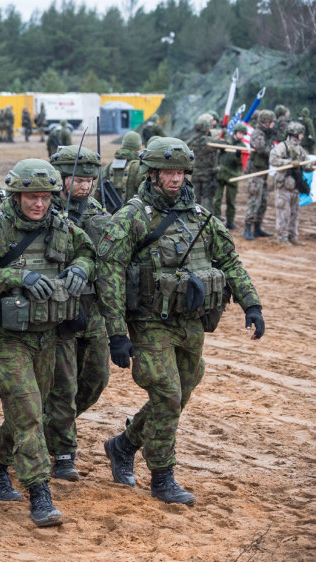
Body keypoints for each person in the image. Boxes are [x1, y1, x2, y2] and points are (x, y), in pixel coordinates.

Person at [97, 137, 264, 506]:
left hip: (190, 322)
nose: (175, 179)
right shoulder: (132, 217)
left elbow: (230, 261)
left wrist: (251, 304)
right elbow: (109, 273)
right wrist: (116, 334)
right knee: (167, 394)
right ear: (153, 174)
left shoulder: (200, 218)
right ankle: (162, 476)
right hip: (148, 322)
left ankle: (123, 446)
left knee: (180, 392)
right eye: (168, 172)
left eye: (180, 173)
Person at [0, 158, 94, 527]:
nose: (39, 204)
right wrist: (18, 275)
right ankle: (39, 492)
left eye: (45, 197)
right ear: (16, 196)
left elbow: (87, 251)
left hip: (47, 337)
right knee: (29, 411)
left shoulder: (60, 226)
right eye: (31, 197)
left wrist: (81, 268)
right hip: (6, 340)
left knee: (29, 412)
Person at [43, 145, 110, 481]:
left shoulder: (99, 212)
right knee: (63, 387)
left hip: (93, 309)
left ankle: (49, 426)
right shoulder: (43, 211)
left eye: (89, 179)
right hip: (59, 310)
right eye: (77, 179)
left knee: (96, 378)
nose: (84, 186)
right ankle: (63, 453)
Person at [270, 122, 309, 246]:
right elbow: (273, 159)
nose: (302, 136)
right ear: (295, 134)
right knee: (284, 213)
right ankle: (282, 238)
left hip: (296, 186)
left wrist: (311, 166)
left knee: (294, 213)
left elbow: (305, 164)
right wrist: (289, 162)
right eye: (301, 134)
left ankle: (293, 236)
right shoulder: (283, 147)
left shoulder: (300, 149)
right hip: (284, 187)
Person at [243, 109, 276, 240]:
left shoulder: (267, 134)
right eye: (272, 122)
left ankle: (257, 228)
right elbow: (261, 149)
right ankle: (247, 228)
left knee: (263, 202)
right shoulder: (258, 133)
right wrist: (274, 153)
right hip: (256, 173)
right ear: (266, 122)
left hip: (263, 173)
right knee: (254, 201)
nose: (273, 124)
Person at [215, 123, 248, 230]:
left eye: (243, 134)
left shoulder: (242, 147)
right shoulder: (226, 141)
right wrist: (221, 149)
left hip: (233, 176)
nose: (241, 135)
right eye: (239, 133)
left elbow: (241, 164)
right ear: (235, 132)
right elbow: (217, 153)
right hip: (221, 174)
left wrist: (238, 156)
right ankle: (216, 221)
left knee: (231, 201)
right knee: (217, 199)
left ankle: (230, 222)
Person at [99, 131, 143, 209]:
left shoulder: (107, 167)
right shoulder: (140, 167)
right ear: (139, 148)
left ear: (123, 145)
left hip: (110, 217)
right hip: (135, 216)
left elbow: (98, 194)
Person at [186, 114, 220, 211]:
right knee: (208, 199)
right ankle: (207, 221)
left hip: (195, 174)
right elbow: (227, 144)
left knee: (195, 199)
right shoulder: (210, 141)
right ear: (206, 129)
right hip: (208, 176)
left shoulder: (190, 142)